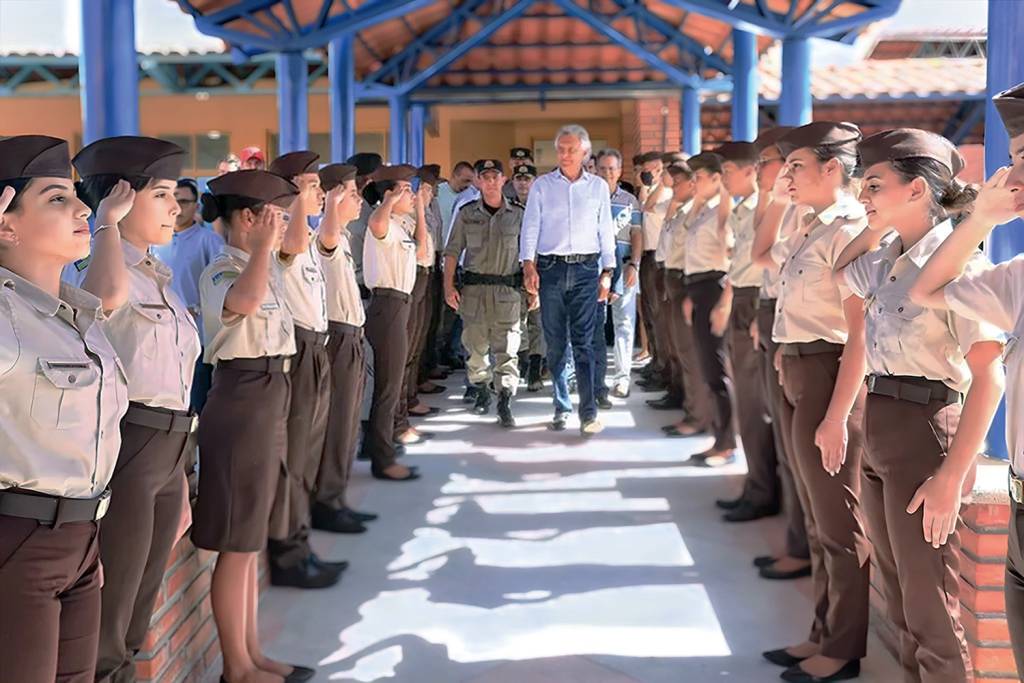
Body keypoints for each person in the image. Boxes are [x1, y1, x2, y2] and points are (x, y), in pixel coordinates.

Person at [833, 128, 1005, 683]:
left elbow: (989, 378)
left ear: (917, 190)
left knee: (930, 602)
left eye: (875, 185)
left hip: (927, 430)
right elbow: (840, 273)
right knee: (902, 595)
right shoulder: (886, 259)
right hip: (882, 420)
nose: (864, 196)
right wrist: (874, 221)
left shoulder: (963, 267)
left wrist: (954, 475)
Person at [70, 136, 202, 683]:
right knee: (113, 609)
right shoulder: (98, 267)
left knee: (138, 610)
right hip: (133, 445)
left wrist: (183, 468)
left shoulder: (157, 273)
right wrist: (104, 225)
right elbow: (100, 300)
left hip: (171, 448)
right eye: (163, 195)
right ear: (122, 200)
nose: (176, 208)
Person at [0, 135, 128, 682]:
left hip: (82, 538)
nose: (81, 209)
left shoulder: (76, 319)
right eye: (56, 199)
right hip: (21, 542)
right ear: (6, 224)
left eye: (77, 197)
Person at [908, 82, 1024, 672]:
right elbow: (925, 289)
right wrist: (979, 216)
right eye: (1015, 158)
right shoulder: (1019, 276)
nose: (1013, 174)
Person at [752, 122, 871, 682]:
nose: (786, 176)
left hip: (829, 373)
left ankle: (842, 649)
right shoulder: (810, 224)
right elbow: (770, 271)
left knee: (839, 520)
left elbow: (859, 332)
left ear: (832, 169)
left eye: (796, 166)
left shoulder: (851, 229)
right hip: (800, 364)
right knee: (817, 511)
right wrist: (783, 352)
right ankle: (822, 631)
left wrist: (837, 414)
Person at [192, 169, 316, 683]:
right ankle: (236, 668)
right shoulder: (223, 268)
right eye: (274, 216)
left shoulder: (257, 265)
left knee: (250, 543)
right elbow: (241, 306)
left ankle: (253, 654)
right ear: (249, 218)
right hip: (243, 396)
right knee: (236, 543)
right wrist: (264, 247)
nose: (283, 225)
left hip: (271, 393)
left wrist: (271, 246)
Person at [265, 151, 346, 590]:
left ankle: (302, 542)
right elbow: (292, 249)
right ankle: (289, 554)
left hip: (315, 344)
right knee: (294, 458)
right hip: (296, 348)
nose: (320, 194)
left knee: (308, 453)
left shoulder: (309, 232)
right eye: (313, 186)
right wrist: (296, 198)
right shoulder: (285, 230)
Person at [735, 126, 813, 582]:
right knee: (784, 442)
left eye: (768, 161)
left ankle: (801, 546)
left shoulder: (807, 212)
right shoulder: (779, 205)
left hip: (795, 329)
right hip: (773, 317)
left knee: (796, 448)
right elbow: (760, 258)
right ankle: (795, 540)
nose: (763, 170)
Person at [521, 124, 616, 435]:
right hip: (550, 269)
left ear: (584, 152)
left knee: (585, 343)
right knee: (556, 344)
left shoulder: (598, 187)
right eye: (561, 148)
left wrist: (608, 271)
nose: (564, 154)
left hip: (588, 271)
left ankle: (588, 413)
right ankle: (561, 406)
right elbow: (530, 226)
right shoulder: (542, 186)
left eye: (571, 149)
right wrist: (528, 265)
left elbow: (606, 230)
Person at [311, 163, 378, 534]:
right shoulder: (328, 234)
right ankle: (327, 502)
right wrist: (333, 205)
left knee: (348, 422)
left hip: (350, 335)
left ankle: (337, 497)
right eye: (351, 193)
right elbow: (328, 237)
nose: (357, 200)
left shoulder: (342, 234)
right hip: (337, 336)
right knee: (337, 424)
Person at [716, 141, 778, 517]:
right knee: (748, 404)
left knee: (756, 407)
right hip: (743, 297)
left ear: (750, 171)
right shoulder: (746, 208)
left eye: (727, 173)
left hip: (756, 302)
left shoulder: (767, 208)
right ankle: (756, 484)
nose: (724, 180)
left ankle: (762, 491)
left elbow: (764, 265)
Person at [445, 159, 528, 428]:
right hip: (475, 292)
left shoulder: (518, 213)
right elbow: (452, 251)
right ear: (479, 181)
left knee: (508, 349)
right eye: (485, 177)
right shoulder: (467, 213)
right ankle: (481, 389)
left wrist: (532, 286)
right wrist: (448, 286)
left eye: (495, 177)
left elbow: (529, 253)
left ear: (503, 180)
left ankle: (504, 400)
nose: (491, 182)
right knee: (476, 348)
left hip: (507, 291)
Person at [671, 152, 737, 467]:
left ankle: (726, 443)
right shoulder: (700, 211)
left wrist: (723, 300)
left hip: (714, 287)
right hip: (697, 286)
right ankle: (718, 436)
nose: (693, 182)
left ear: (717, 179)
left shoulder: (723, 211)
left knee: (718, 370)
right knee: (708, 369)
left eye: (699, 177)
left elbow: (728, 253)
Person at [363, 165, 424, 481]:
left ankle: (380, 447)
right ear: (389, 193)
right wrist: (390, 198)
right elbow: (375, 222)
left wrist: (418, 208)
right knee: (387, 388)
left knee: (392, 383)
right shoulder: (382, 221)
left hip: (401, 304)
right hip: (387, 305)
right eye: (404, 189)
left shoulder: (400, 226)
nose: (411, 195)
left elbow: (424, 252)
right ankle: (383, 459)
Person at [153, 178, 226, 414]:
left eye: (184, 201)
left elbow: (222, 287)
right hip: (161, 337)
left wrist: (198, 308)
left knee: (196, 404)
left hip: (197, 337)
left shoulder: (209, 241)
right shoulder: (156, 242)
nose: (177, 207)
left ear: (196, 206)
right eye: (172, 199)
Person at [657, 161, 712, 439]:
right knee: (681, 352)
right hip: (674, 282)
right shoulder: (681, 212)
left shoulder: (698, 213)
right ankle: (691, 408)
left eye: (678, 182)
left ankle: (698, 417)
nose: (672, 187)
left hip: (687, 283)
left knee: (692, 355)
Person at [393, 170, 440, 446]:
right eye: (415, 191)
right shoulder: (397, 220)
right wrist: (420, 208)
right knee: (404, 353)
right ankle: (399, 416)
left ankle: (407, 402)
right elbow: (421, 249)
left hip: (423, 276)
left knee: (414, 348)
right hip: (406, 284)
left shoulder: (409, 216)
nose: (418, 196)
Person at [594, 148, 642, 399]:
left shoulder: (629, 201)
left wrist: (635, 264)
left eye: (612, 168)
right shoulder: (588, 198)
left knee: (624, 324)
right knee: (595, 325)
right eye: (602, 168)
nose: (607, 173)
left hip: (625, 269)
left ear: (620, 171)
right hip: (594, 270)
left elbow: (636, 233)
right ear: (595, 169)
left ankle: (622, 379)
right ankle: (595, 378)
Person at [510, 163, 547, 392]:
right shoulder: (507, 207)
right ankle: (521, 362)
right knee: (516, 323)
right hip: (512, 273)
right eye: (519, 179)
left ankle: (535, 368)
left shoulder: (544, 207)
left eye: (527, 178)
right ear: (513, 182)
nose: (523, 183)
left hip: (539, 271)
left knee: (538, 323)